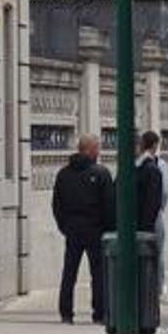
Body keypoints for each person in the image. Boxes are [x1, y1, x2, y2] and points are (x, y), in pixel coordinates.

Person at [52, 134, 115, 324]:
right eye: (97, 148)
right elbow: (109, 205)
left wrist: (64, 226)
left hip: (72, 229)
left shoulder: (63, 174)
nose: (99, 151)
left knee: (69, 272)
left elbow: (56, 204)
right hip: (95, 230)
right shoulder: (101, 173)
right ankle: (99, 312)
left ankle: (66, 312)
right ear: (89, 149)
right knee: (98, 273)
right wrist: (108, 229)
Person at [139, 131, 168, 296]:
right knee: (157, 251)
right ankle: (158, 286)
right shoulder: (160, 165)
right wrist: (160, 208)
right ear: (155, 145)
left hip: (140, 214)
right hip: (155, 214)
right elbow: (165, 192)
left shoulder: (137, 163)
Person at [134, 133, 163, 233]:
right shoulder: (135, 168)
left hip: (143, 228)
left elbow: (153, 202)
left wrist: (146, 229)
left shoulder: (150, 169)